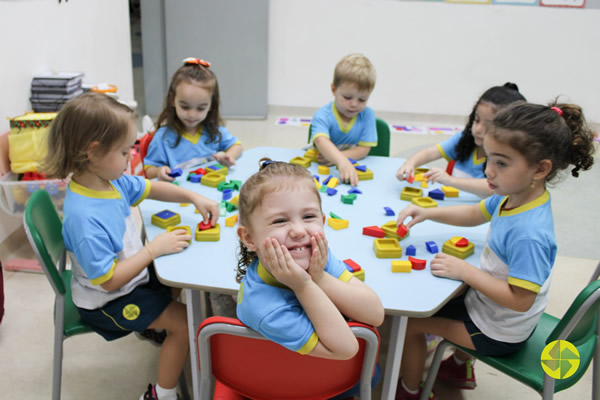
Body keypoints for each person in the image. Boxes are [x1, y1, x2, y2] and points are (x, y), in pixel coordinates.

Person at [393, 101, 595, 400]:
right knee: (429, 296)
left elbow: (521, 300)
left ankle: (409, 393)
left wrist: (466, 272)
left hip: (499, 332)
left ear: (540, 168)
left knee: (409, 325)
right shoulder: (515, 195)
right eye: (489, 158)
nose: (488, 170)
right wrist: (429, 212)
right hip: (490, 309)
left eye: (501, 163)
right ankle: (458, 368)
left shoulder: (530, 234)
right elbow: (475, 214)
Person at [45, 92, 220, 400]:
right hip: (105, 300)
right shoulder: (84, 218)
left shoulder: (108, 180)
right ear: (94, 152)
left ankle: (151, 325)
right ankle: (161, 395)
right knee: (185, 323)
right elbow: (108, 279)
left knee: (176, 273)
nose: (130, 160)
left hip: (127, 279)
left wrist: (193, 197)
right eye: (125, 152)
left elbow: (150, 187)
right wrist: (152, 250)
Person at [235, 159, 384, 360]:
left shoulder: (313, 255)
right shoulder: (263, 307)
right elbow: (348, 349)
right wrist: (304, 285)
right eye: (280, 220)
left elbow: (375, 315)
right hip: (295, 382)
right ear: (249, 238)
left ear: (322, 221)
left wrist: (319, 277)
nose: (298, 231)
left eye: (308, 217)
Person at [396, 83, 526, 198]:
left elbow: (494, 188)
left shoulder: (505, 158)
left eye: (488, 125)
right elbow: (431, 152)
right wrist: (409, 164)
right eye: (476, 120)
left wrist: (450, 180)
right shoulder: (465, 139)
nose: (478, 129)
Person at [144, 57, 242, 181]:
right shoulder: (163, 137)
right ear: (172, 100)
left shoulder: (214, 131)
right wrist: (159, 171)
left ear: (211, 105)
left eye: (201, 108)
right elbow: (149, 169)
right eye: (185, 107)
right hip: (181, 195)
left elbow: (237, 146)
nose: (192, 115)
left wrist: (228, 156)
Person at [310, 53, 377, 187]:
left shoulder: (367, 115)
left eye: (362, 99)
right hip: (319, 169)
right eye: (347, 97)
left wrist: (340, 158)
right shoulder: (323, 115)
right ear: (334, 89)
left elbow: (364, 149)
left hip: (347, 169)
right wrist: (340, 161)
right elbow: (320, 140)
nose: (354, 104)